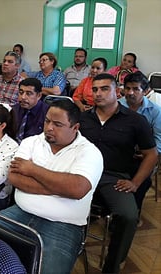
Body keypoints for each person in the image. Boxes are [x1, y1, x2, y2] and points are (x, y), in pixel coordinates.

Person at [0, 96, 103, 273]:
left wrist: (32, 170)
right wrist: (60, 187)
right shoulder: (32, 142)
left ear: (75, 128)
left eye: (57, 124)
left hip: (63, 225)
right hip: (19, 213)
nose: (49, 128)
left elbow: (77, 189)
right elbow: (15, 178)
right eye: (47, 121)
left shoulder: (90, 152)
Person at [79, 73, 158, 273]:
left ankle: (112, 265)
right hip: (82, 174)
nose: (98, 93)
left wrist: (136, 183)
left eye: (104, 88)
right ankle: (66, 245)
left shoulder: (135, 120)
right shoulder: (83, 118)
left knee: (128, 215)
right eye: (95, 89)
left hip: (113, 177)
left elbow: (151, 154)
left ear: (117, 91)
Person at [119, 71, 161, 214]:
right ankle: (114, 209)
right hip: (119, 152)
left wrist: (147, 155)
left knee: (143, 180)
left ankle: (133, 212)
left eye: (136, 89)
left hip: (144, 156)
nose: (130, 93)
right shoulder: (116, 106)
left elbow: (159, 140)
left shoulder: (155, 111)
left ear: (145, 91)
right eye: (128, 88)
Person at [12, 78, 49, 143]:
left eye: (28, 94)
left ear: (39, 95)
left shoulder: (47, 113)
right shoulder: (14, 110)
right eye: (21, 93)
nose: (23, 97)